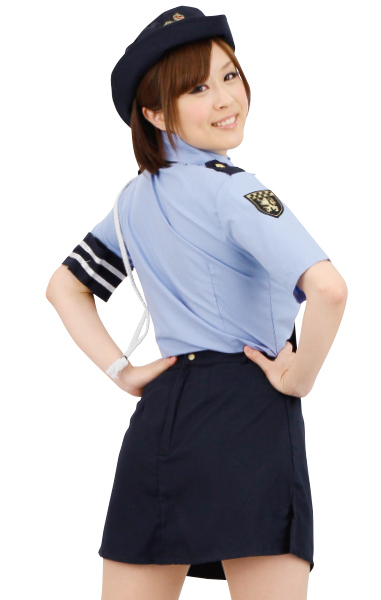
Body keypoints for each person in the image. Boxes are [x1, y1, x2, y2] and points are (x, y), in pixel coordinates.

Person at [46, 6, 348, 600]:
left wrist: (122, 371)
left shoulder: (132, 201)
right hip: (249, 411)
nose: (226, 99)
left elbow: (64, 286)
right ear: (155, 113)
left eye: (229, 76)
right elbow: (330, 289)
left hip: (162, 415)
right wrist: (298, 378)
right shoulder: (237, 190)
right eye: (197, 88)